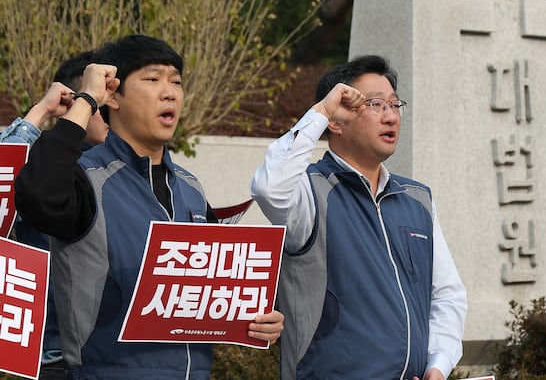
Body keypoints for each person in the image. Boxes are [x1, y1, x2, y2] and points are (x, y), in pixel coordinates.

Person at [15, 34, 283, 379]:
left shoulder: (190, 188)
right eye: (153, 79)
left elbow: (219, 290)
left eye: (176, 82)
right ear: (113, 96)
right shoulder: (87, 178)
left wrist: (260, 318)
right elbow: (37, 193)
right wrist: (87, 99)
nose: (169, 92)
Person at [251, 55, 467, 380]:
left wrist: (438, 364)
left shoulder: (417, 199)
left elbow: (446, 294)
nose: (390, 116)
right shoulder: (310, 192)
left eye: (394, 105)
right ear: (337, 121)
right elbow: (268, 188)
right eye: (376, 104)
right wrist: (321, 113)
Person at [1, 51, 107, 379]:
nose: (111, 115)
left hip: (115, 356)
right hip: (53, 356)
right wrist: (41, 111)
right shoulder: (45, 167)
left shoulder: (137, 169)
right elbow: (4, 184)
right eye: (99, 104)